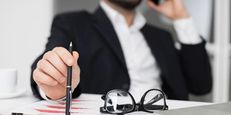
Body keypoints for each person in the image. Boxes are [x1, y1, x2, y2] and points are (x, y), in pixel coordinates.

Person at [31, 0, 212, 101]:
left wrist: (182, 18)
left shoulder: (161, 36)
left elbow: (200, 85)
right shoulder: (72, 23)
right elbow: (49, 63)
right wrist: (54, 85)